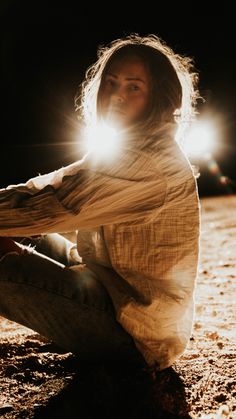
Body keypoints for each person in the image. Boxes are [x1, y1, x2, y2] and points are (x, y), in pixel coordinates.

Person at [0, 33, 200, 371]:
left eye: (133, 86)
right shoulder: (127, 146)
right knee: (16, 231)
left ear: (160, 97)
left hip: (134, 336)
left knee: (16, 230)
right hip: (106, 287)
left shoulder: (148, 162)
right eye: (111, 82)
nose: (116, 96)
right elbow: (49, 188)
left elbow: (52, 208)